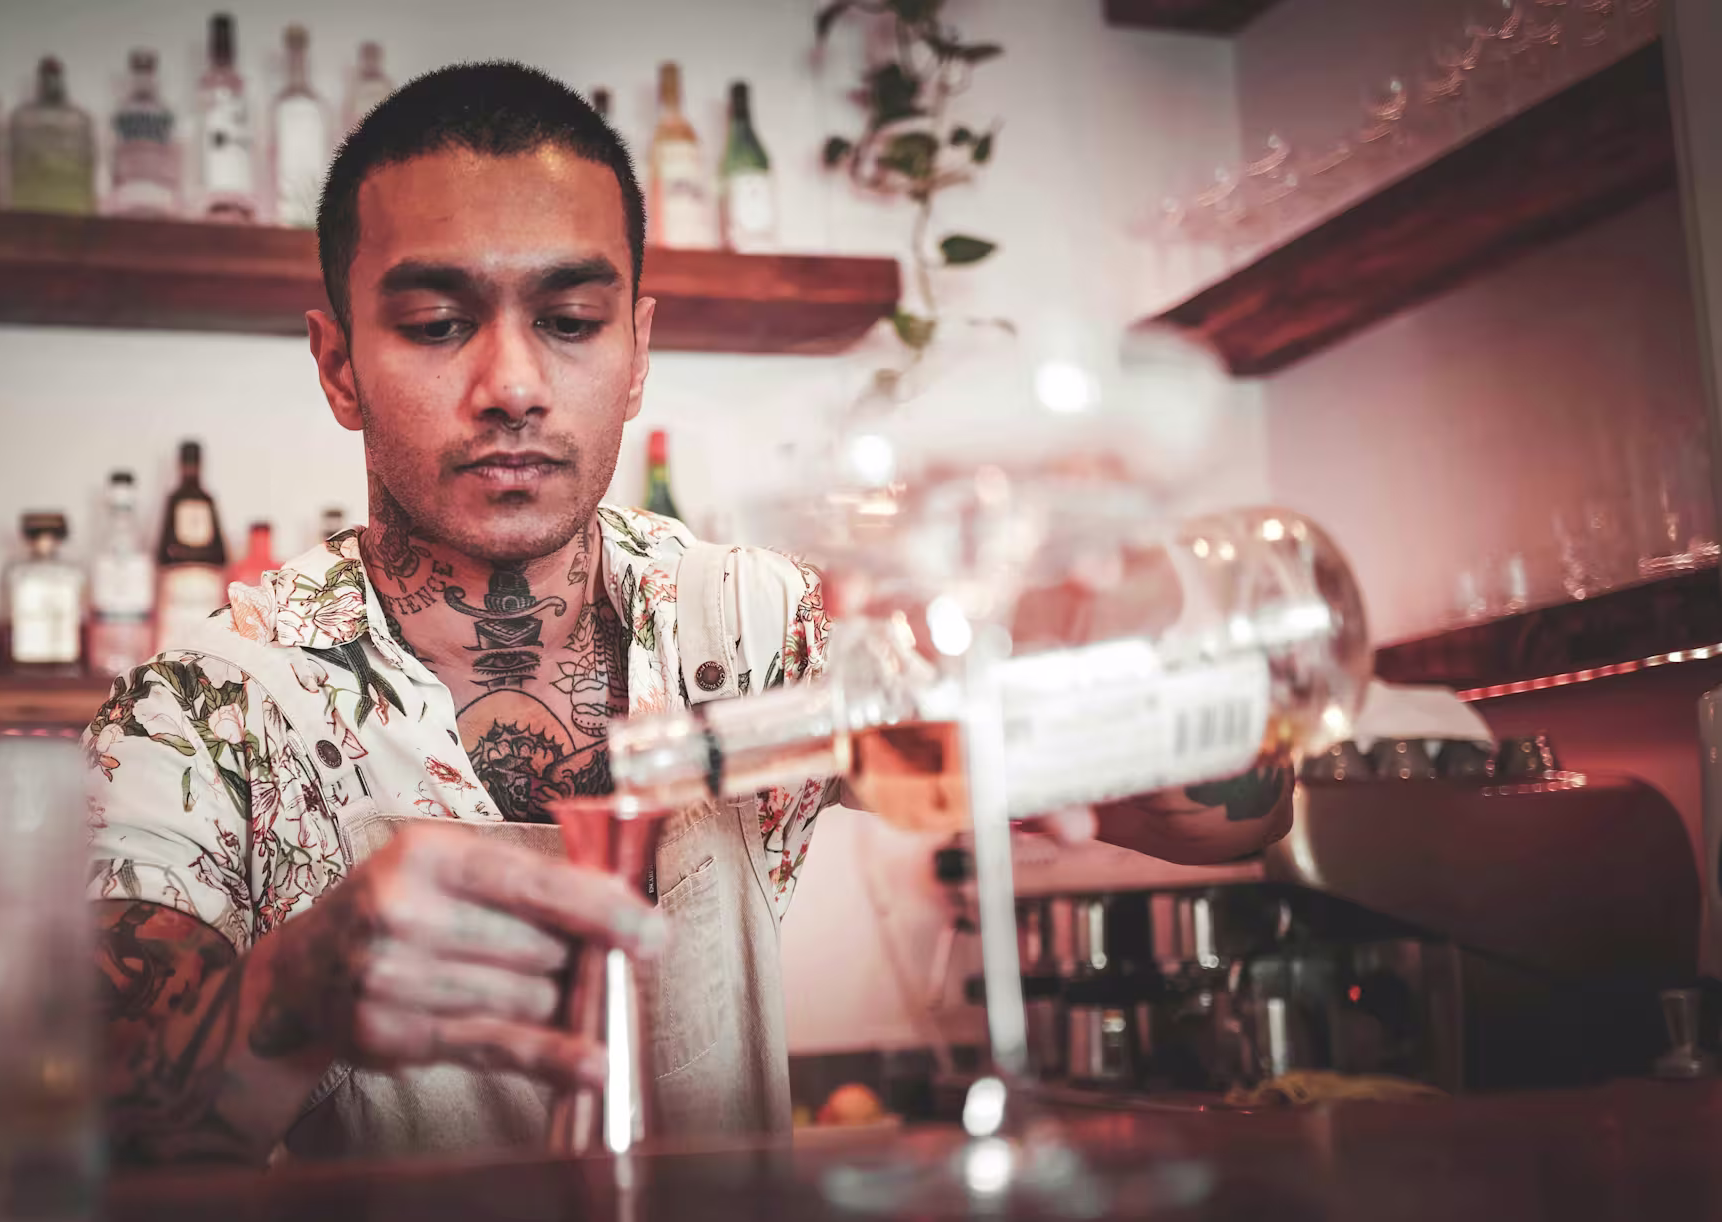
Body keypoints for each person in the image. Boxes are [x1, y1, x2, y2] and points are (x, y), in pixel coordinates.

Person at [83, 60, 1294, 1166]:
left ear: (637, 347)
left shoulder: (760, 623)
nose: (510, 386)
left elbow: (1228, 819)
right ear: (340, 365)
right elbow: (98, 1123)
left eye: (569, 320)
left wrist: (1108, 650)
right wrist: (293, 996)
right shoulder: (208, 710)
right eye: (438, 322)